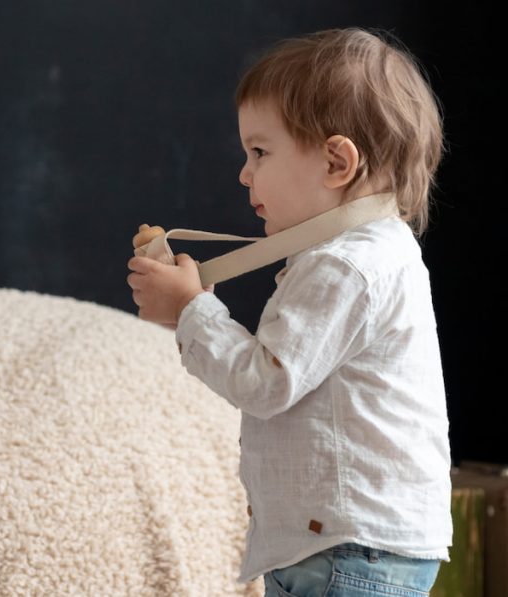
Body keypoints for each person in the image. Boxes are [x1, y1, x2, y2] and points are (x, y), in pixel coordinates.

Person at [126, 28, 451, 596]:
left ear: (336, 161)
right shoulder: (374, 252)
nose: (245, 174)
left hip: (347, 552)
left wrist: (190, 311)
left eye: (260, 151)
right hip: (356, 546)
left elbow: (267, 381)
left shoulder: (345, 267)